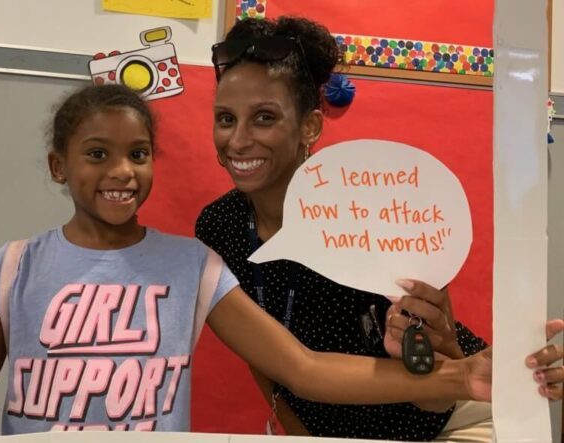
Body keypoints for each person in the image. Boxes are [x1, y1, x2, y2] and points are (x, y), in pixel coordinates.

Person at [0, 84, 497, 435]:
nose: (122, 171)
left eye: (138, 154)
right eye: (97, 154)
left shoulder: (193, 264)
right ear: (58, 166)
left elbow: (304, 367)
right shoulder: (14, 266)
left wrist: (451, 378)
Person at [196, 16, 564, 440]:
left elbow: (439, 391)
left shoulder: (375, 209)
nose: (238, 140)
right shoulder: (219, 228)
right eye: (225, 119)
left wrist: (450, 361)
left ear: (309, 127)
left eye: (263, 118)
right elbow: (270, 360)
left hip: (447, 422)